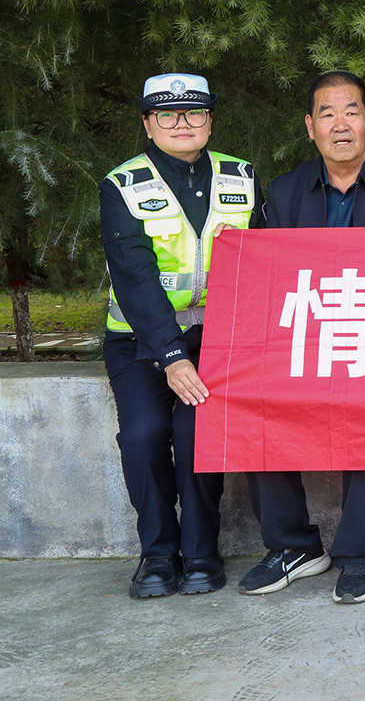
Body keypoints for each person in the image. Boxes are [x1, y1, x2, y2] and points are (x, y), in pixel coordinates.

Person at [238, 71, 365, 604]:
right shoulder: (284, 192)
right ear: (310, 126)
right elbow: (269, 277)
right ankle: (293, 545)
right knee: (254, 400)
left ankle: (359, 553)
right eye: (327, 113)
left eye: (351, 112)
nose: (340, 124)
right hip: (301, 336)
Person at [100, 73, 260, 598]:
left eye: (194, 112)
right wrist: (171, 354)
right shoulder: (122, 184)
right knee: (144, 435)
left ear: (209, 120)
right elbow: (134, 276)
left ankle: (201, 552)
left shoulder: (242, 176)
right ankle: (157, 553)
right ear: (148, 125)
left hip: (217, 339)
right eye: (167, 115)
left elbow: (265, 261)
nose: (182, 123)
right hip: (140, 341)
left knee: (196, 436)